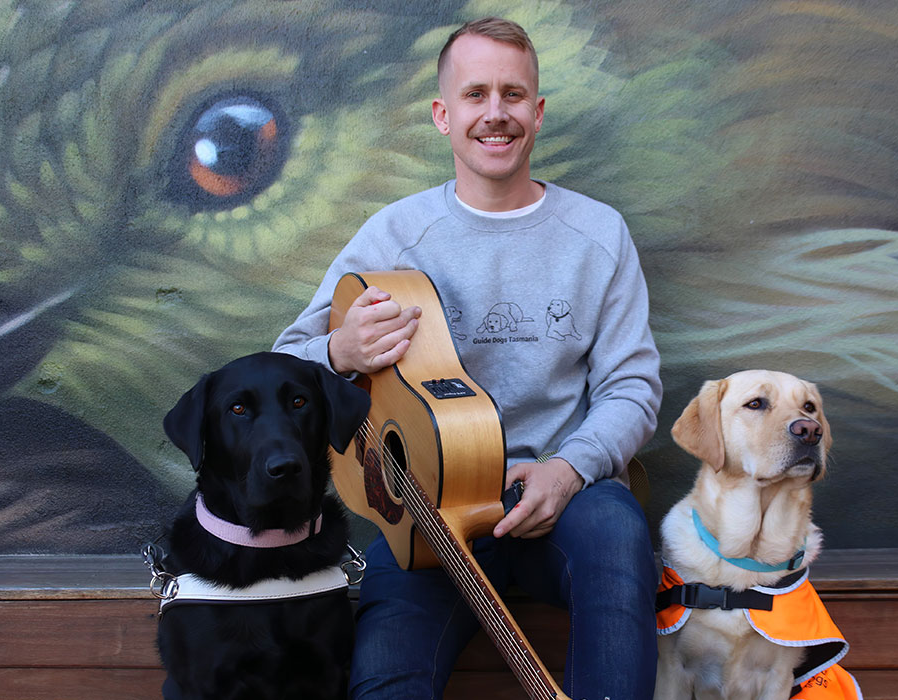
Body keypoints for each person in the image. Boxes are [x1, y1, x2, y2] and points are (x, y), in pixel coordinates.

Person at [272, 17, 662, 699]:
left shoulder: (599, 234)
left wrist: (568, 473)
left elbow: (632, 388)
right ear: (442, 116)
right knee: (387, 674)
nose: (495, 113)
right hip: (429, 515)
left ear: (536, 113)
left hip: (565, 503)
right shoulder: (395, 234)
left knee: (619, 532)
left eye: (513, 95)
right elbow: (283, 365)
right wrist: (339, 350)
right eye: (476, 94)